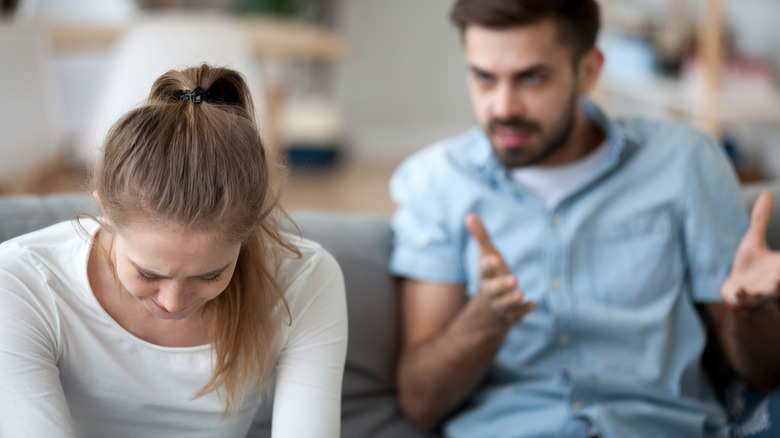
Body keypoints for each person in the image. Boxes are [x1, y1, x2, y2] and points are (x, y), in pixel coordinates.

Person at [389, 1, 780, 437]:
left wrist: (751, 311)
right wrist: (483, 320)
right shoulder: (437, 182)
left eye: (531, 77)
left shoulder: (685, 163)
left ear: (590, 71)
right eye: (484, 78)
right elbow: (419, 403)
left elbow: (765, 375)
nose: (502, 107)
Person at [0, 64, 348, 437]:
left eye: (210, 274)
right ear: (105, 213)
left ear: (249, 231)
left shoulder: (306, 279)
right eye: (148, 273)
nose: (173, 302)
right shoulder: (21, 282)